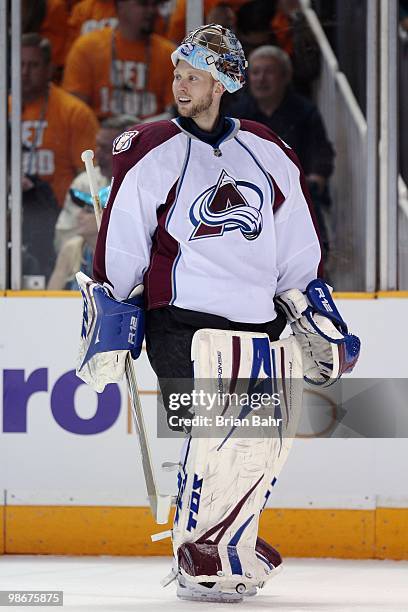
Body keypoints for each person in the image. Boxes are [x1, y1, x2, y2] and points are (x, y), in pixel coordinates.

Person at [77, 24, 359, 603]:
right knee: (222, 429)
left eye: (193, 76)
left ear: (223, 83)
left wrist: (313, 311)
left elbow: (297, 247)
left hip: (256, 323)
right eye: (177, 74)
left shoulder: (266, 149)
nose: (180, 85)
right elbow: (124, 243)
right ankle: (201, 546)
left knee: (267, 435)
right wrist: (110, 315)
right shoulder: (151, 148)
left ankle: (232, 535)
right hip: (181, 322)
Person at [226, 45, 334, 260]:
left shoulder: (304, 111)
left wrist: (316, 177)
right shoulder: (236, 115)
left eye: (269, 72)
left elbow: (320, 151)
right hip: (249, 197)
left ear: (286, 76)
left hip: (297, 195)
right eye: (255, 72)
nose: (261, 79)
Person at [63, 0, 176, 120]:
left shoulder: (169, 54)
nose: (151, 11)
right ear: (120, 5)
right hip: (98, 133)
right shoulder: (88, 48)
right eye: (143, 4)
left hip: (151, 135)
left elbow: (178, 114)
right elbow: (74, 113)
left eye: (154, 5)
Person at [21, 33, 99, 206]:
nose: (24, 72)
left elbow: (89, 178)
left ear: (49, 69)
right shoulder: (5, 108)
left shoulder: (75, 112)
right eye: (20, 64)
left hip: (58, 215)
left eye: (33, 65)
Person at [54, 114, 138, 251]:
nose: (97, 154)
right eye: (98, 146)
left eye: (106, 149)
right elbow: (64, 240)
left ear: (133, 150)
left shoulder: (157, 186)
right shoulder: (84, 184)